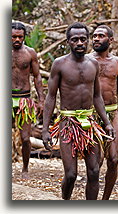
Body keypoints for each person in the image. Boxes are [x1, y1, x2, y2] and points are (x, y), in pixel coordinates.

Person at [42, 22, 115, 200]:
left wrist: (106, 123)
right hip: (68, 123)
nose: (80, 43)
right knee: (71, 174)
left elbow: (97, 96)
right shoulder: (59, 64)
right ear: (68, 42)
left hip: (89, 123)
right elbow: (50, 97)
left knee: (94, 170)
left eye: (83, 39)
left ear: (88, 40)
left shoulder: (93, 64)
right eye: (75, 40)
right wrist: (45, 129)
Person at [87, 25, 118, 200]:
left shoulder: (117, 63)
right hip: (92, 115)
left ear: (111, 40)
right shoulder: (86, 60)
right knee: (95, 164)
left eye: (101, 36)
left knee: (113, 160)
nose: (96, 39)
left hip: (112, 113)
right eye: (95, 36)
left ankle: (105, 201)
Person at [12, 22, 44, 179]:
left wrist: (41, 100)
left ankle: (25, 168)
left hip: (25, 100)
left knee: (25, 137)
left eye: (20, 37)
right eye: (14, 37)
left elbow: (37, 76)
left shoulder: (30, 53)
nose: (17, 39)